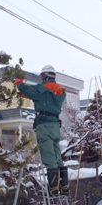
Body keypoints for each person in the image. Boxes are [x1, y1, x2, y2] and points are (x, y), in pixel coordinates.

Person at [15, 65, 68, 196]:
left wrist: (18, 82)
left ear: (45, 76)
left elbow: (29, 90)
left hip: (44, 125)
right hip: (55, 126)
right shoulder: (58, 89)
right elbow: (41, 96)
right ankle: (64, 186)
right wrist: (26, 95)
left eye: (42, 76)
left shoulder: (44, 87)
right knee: (57, 156)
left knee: (49, 156)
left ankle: (54, 189)